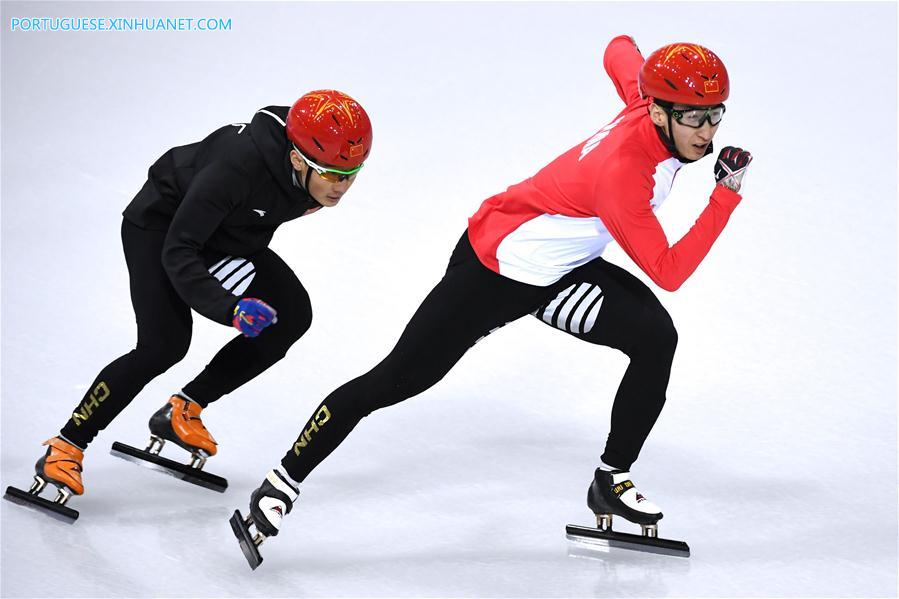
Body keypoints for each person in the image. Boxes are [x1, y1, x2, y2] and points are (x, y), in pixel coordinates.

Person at [234, 36, 753, 560]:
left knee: (656, 337)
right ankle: (280, 484)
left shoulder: (646, 102)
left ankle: (611, 480)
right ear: (660, 112)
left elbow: (619, 51)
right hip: (494, 269)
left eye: (715, 114)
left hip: (560, 271)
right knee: (393, 380)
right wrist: (725, 194)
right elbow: (668, 271)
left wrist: (650, 70)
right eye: (693, 117)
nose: (706, 131)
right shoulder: (625, 175)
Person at [6, 90, 373, 515]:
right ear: (296, 159)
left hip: (227, 235)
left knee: (291, 317)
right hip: (162, 228)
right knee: (163, 345)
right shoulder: (235, 169)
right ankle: (66, 445)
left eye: (352, 173)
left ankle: (182, 410)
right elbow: (180, 251)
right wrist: (228, 307)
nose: (342, 186)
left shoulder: (310, 175)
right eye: (332, 174)